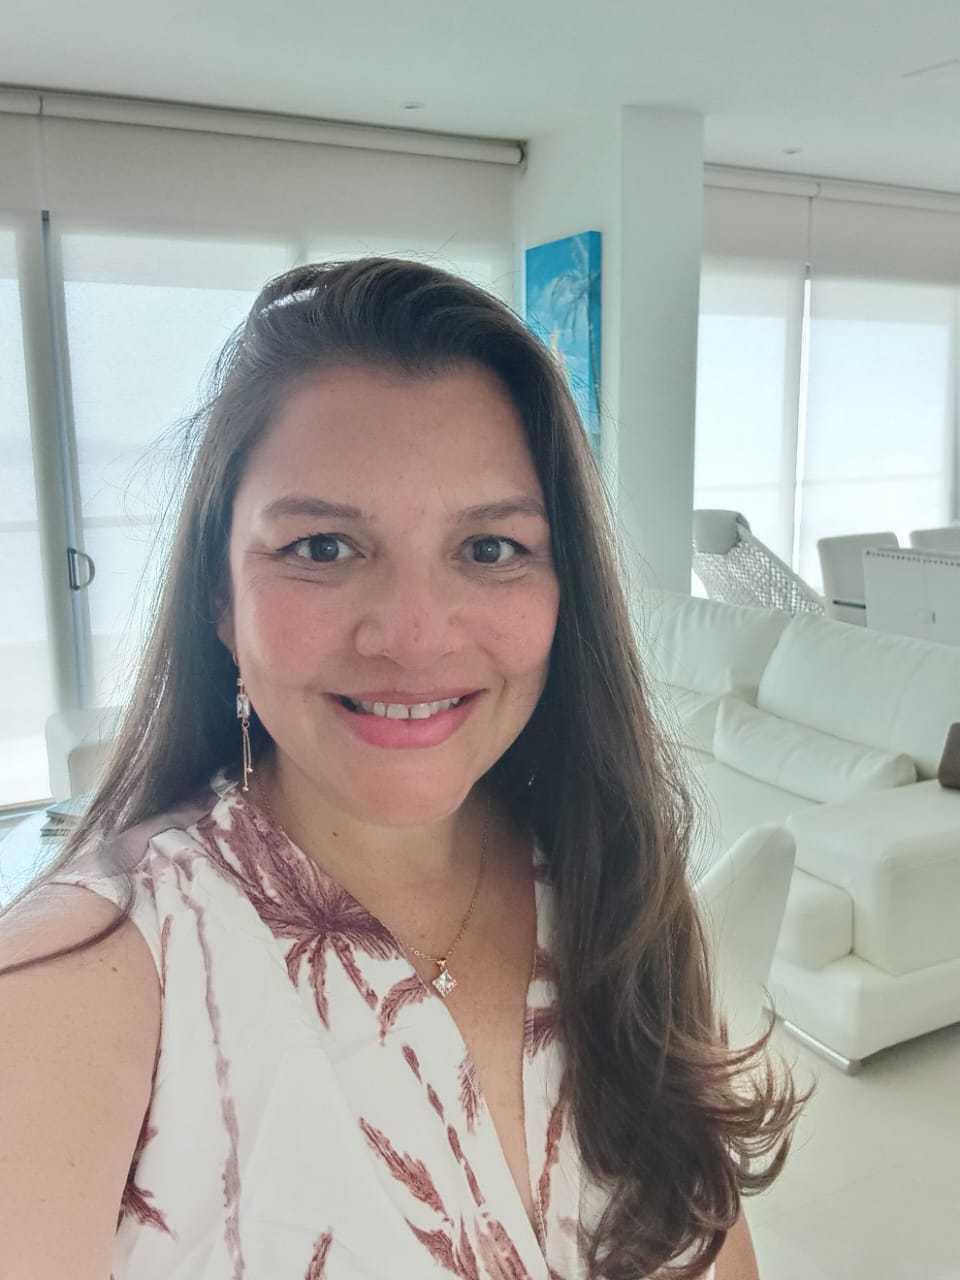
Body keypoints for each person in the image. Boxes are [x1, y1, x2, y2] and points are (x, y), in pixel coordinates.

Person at [0, 258, 806, 1279]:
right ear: (219, 599)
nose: (416, 636)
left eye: (491, 548)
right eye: (323, 547)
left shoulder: (624, 895)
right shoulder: (79, 985)